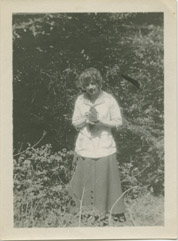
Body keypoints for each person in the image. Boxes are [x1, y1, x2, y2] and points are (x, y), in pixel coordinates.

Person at [69, 67, 125, 223]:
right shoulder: (80, 100)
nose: (90, 87)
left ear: (99, 83)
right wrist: (85, 120)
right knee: (85, 179)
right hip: (85, 143)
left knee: (103, 179)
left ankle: (107, 212)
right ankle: (83, 212)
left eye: (93, 83)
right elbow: (75, 123)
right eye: (87, 84)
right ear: (84, 86)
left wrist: (101, 122)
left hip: (103, 143)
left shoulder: (109, 100)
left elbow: (118, 122)